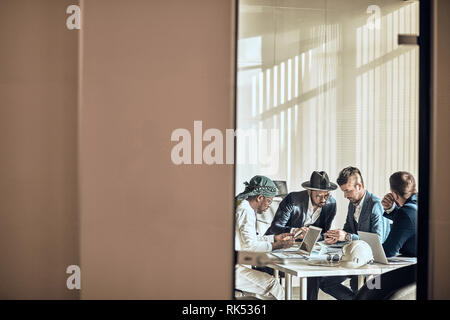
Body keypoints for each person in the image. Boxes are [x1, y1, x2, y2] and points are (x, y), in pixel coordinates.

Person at [308, 166, 391, 300]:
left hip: (373, 261)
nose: (345, 196)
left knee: (367, 292)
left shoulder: (375, 204)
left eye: (347, 191)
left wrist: (346, 236)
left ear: (359, 186)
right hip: (354, 257)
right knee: (324, 281)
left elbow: (378, 241)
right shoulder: (352, 203)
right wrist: (336, 237)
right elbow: (348, 228)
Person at [235, 175, 294, 300]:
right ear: (260, 197)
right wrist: (279, 245)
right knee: (272, 285)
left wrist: (274, 239)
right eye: (269, 201)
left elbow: (249, 240)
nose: (269, 206)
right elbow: (250, 246)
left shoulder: (242, 205)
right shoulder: (245, 211)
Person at [265, 171, 337, 241]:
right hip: (276, 242)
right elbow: (275, 228)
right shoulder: (292, 199)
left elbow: (324, 232)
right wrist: (295, 231)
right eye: (319, 196)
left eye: (327, 195)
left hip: (303, 247)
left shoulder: (331, 204)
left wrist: (324, 237)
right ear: (309, 192)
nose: (323, 200)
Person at [381, 171, 417, 257]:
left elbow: (388, 252)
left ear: (395, 195)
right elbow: (410, 223)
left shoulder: (405, 213)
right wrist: (390, 208)